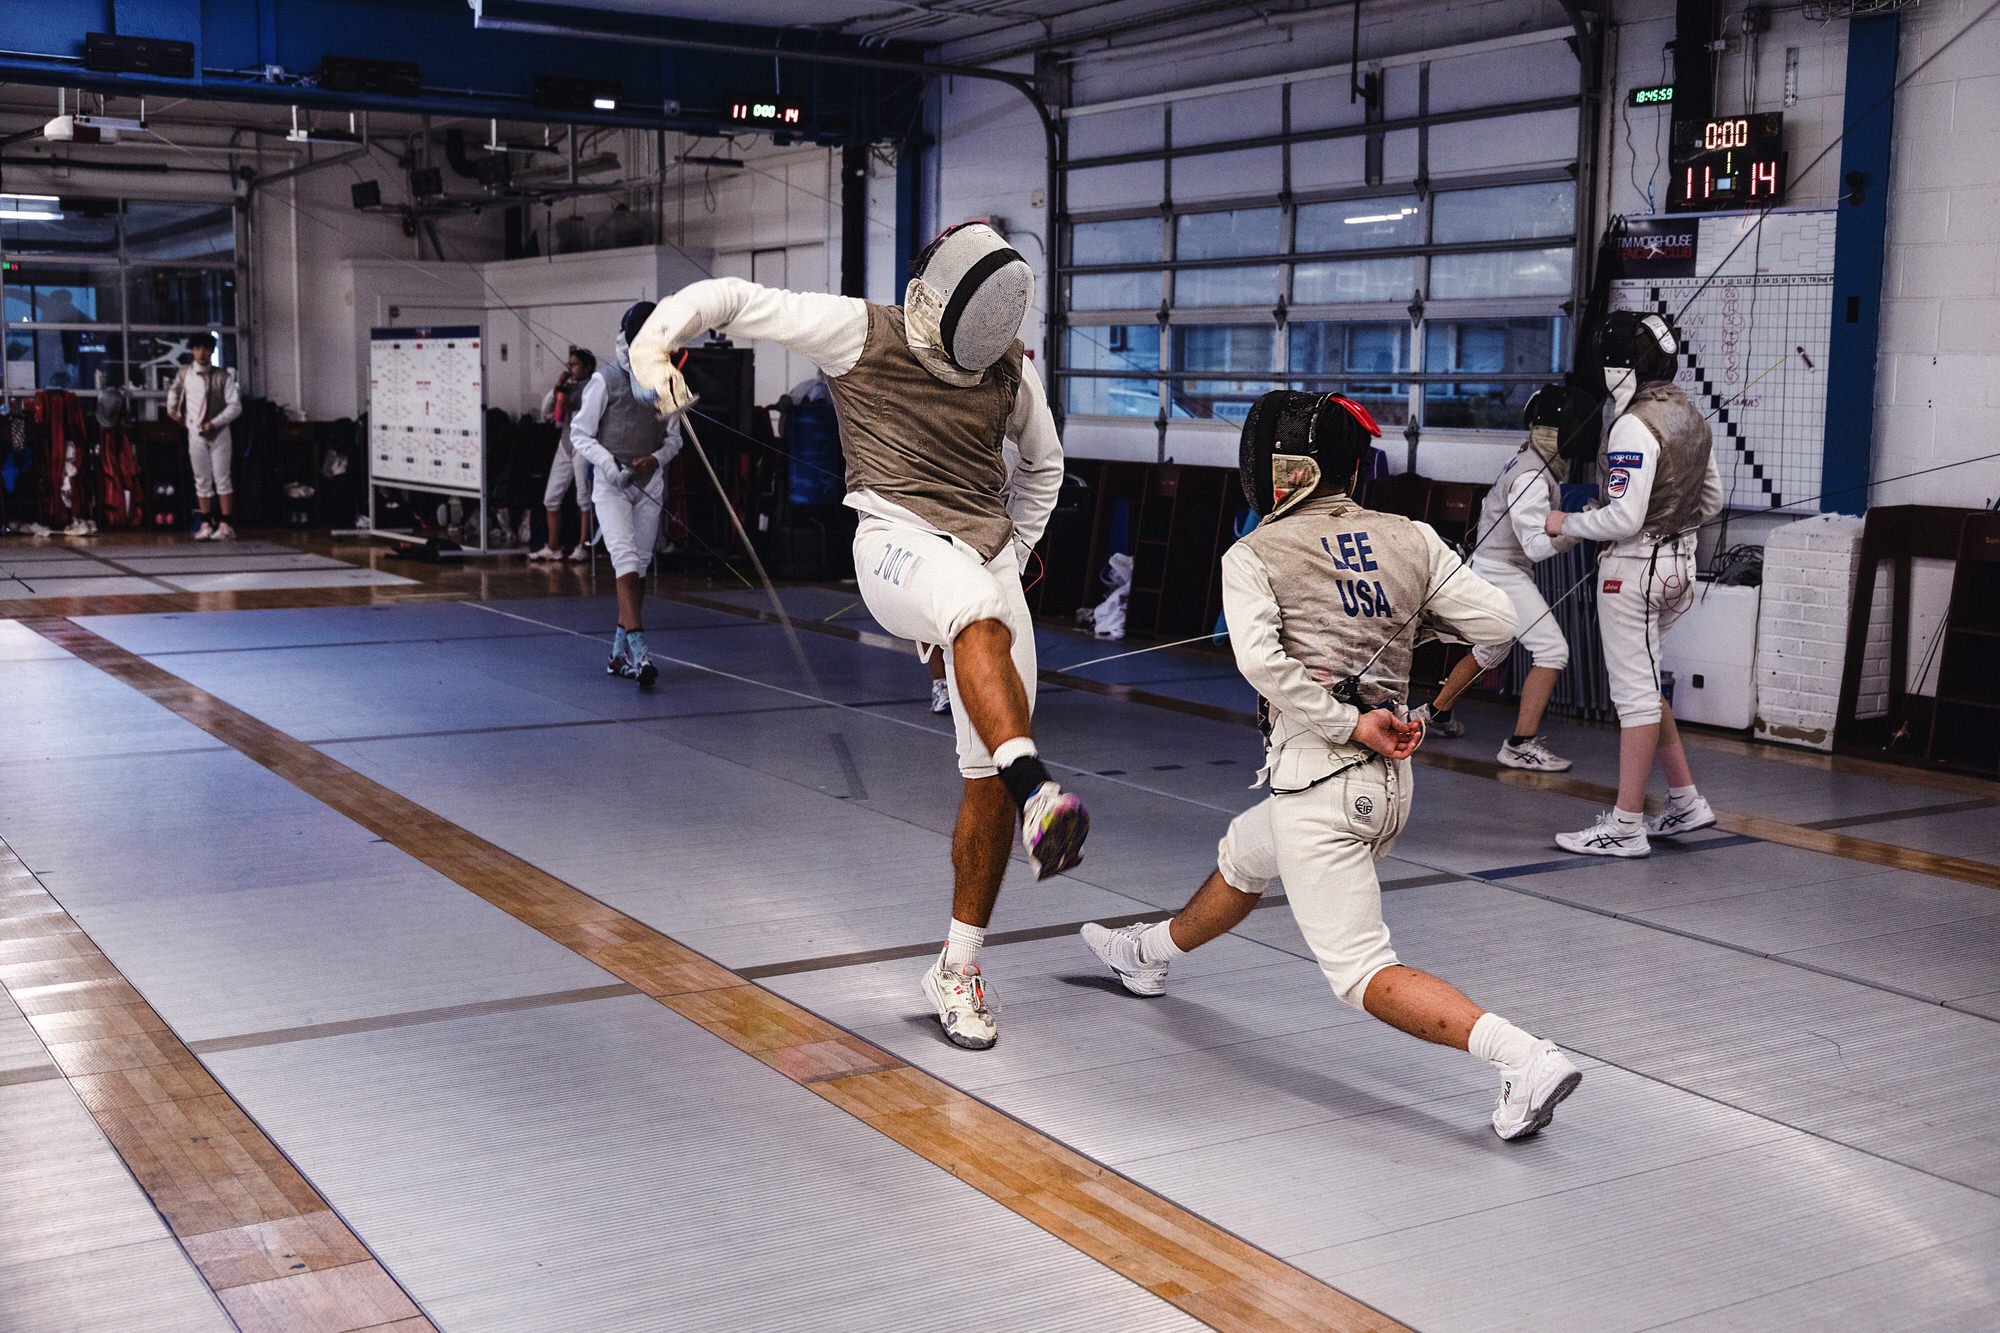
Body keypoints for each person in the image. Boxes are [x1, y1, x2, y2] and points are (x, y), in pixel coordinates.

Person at [627, 222, 1089, 1052]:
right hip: (894, 541)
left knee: (983, 771)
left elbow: (1045, 467)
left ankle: (958, 965)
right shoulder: (861, 330)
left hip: (987, 558)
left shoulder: (1010, 373)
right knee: (974, 625)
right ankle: (1041, 792)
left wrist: (1013, 555)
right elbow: (737, 299)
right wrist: (657, 341)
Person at [1081, 390, 1585, 1141]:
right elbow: (1499, 626)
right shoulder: (1410, 536)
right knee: (1246, 854)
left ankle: (1523, 1057)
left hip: (1322, 779)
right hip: (1384, 786)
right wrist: (1426, 702)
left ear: (1282, 469)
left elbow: (1258, 660)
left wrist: (1349, 719)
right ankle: (1146, 954)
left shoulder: (1252, 552)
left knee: (1357, 972)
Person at [1546, 311, 1723, 857]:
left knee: (1634, 696)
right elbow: (1711, 502)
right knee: (1645, 681)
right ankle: (1686, 801)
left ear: (1616, 366)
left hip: (1634, 572)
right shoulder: (1690, 415)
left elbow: (1623, 519)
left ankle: (1625, 825)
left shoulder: (1631, 424)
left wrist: (1568, 523)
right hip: (1681, 569)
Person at [1412, 383, 1578, 771]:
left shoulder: (1530, 461)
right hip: (1500, 571)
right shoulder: (1531, 476)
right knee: (1553, 651)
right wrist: (1581, 527)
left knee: (1493, 648)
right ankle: (1520, 744)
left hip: (1492, 565)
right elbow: (1537, 546)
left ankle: (1436, 714)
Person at [570, 306, 681, 688]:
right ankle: (642, 654)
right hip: (611, 484)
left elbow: (675, 439)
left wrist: (656, 458)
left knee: (640, 569)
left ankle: (617, 657)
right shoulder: (605, 380)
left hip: (649, 484)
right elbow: (579, 434)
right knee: (626, 565)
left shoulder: (666, 380)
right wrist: (608, 465)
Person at [164, 333, 242, 540]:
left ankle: (226, 524)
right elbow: (174, 391)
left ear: (212, 351)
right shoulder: (185, 374)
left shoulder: (223, 376)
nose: (201, 353)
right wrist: (172, 410)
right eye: (197, 348)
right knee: (201, 479)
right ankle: (206, 523)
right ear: (192, 350)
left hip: (220, 433)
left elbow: (235, 406)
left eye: (206, 348)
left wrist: (215, 422)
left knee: (222, 478)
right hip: (195, 432)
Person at [529, 346, 597, 563]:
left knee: (583, 499)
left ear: (587, 367)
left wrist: (567, 400)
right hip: (565, 445)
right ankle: (553, 546)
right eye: (569, 364)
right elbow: (547, 411)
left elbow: (583, 411)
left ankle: (583, 546)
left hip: (584, 446)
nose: (571, 368)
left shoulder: (594, 388)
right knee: (551, 498)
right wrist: (557, 387)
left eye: (575, 364)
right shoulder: (567, 386)